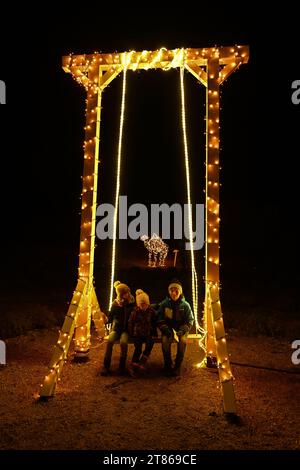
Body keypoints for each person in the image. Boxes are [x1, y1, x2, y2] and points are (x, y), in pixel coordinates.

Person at [157, 279, 194, 376]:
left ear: (180, 291)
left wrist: (183, 330)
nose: (174, 293)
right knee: (165, 341)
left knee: (182, 341)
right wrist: (165, 329)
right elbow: (159, 319)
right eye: (171, 290)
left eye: (176, 290)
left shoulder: (185, 305)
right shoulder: (164, 304)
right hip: (168, 328)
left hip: (181, 328)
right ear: (169, 291)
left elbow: (190, 320)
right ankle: (167, 365)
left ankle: (177, 366)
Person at [101, 280, 135, 376]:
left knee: (123, 342)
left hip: (126, 330)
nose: (127, 294)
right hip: (116, 329)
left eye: (128, 292)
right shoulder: (115, 304)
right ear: (120, 295)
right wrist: (105, 320)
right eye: (125, 293)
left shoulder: (132, 303)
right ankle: (106, 366)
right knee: (110, 341)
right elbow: (110, 317)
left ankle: (121, 366)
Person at [127, 289, 157, 376]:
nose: (143, 306)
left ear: (148, 303)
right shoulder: (135, 312)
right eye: (141, 304)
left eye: (145, 304)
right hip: (138, 333)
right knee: (138, 349)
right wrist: (131, 333)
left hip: (147, 333)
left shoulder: (151, 311)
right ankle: (133, 365)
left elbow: (154, 322)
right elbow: (130, 322)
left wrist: (154, 332)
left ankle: (142, 362)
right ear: (138, 304)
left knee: (150, 344)